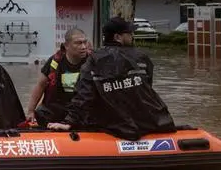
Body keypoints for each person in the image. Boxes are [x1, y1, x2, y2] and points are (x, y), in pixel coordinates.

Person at [48, 17, 177, 141]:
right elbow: (147, 89)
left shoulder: (93, 60)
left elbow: (84, 95)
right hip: (146, 122)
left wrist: (69, 122)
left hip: (112, 125)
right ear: (117, 37)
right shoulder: (141, 58)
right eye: (129, 33)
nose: (132, 36)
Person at [25, 28, 89, 125]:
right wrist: (30, 111)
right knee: (41, 113)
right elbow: (40, 85)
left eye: (85, 42)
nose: (83, 47)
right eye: (78, 43)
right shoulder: (55, 62)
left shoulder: (92, 62)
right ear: (66, 46)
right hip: (58, 107)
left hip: (81, 109)